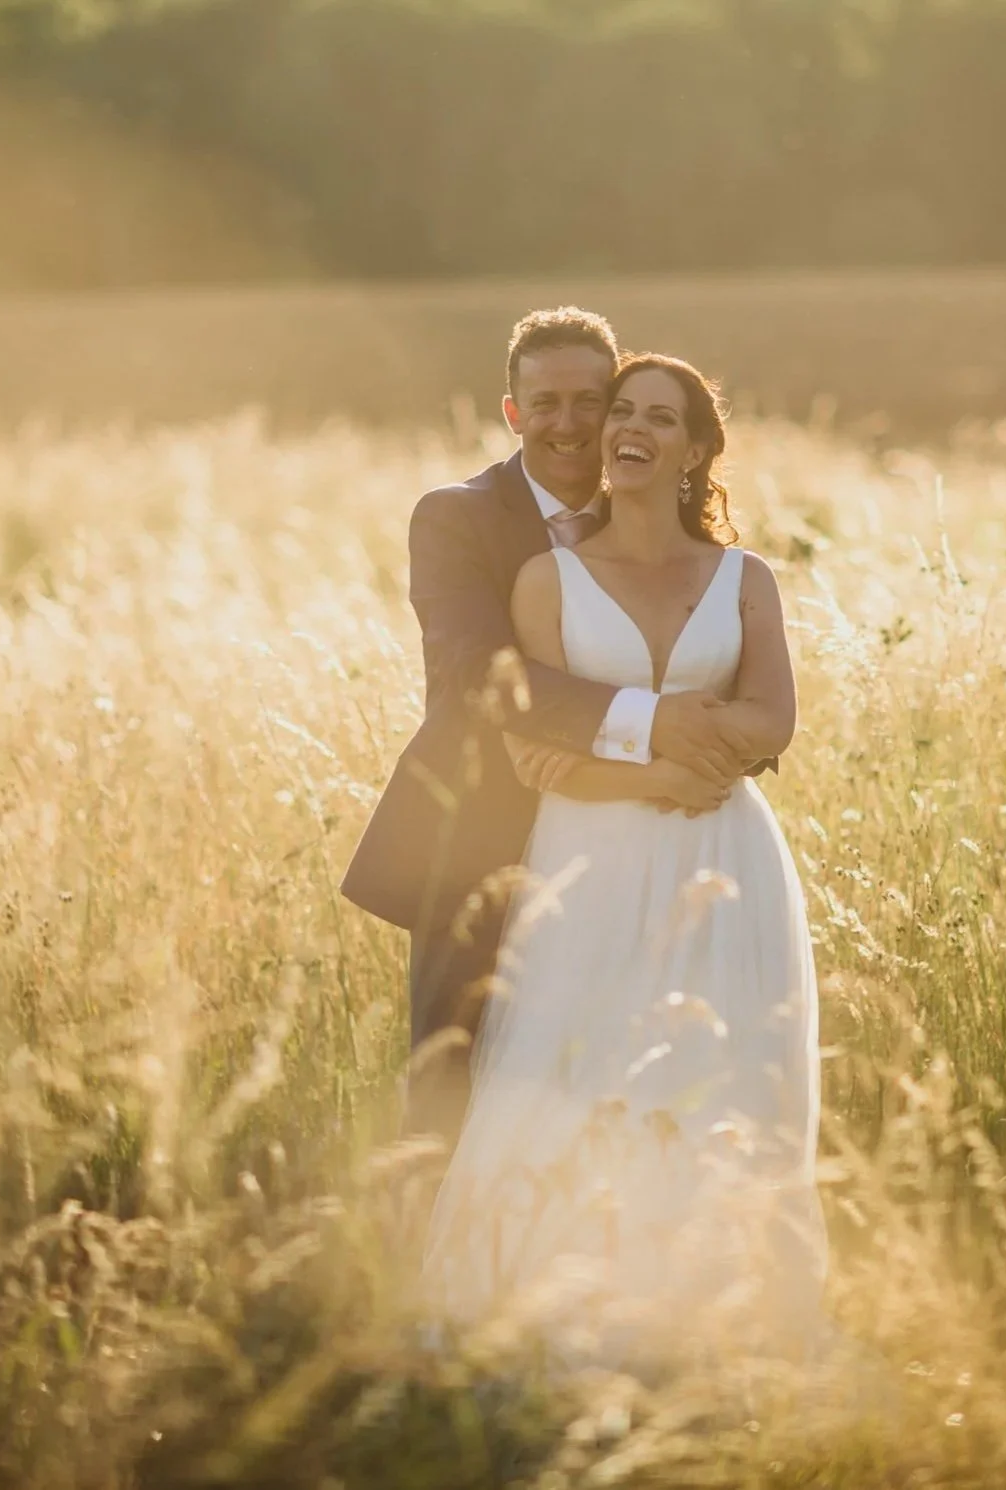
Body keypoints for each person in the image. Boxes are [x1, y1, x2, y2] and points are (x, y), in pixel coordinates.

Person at [419, 353, 825, 1371]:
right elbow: (530, 750)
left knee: (720, 1073)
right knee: (571, 1064)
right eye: (622, 412)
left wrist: (687, 757)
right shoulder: (541, 579)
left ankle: (712, 1318)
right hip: (588, 854)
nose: (628, 428)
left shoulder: (746, 579)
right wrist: (662, 774)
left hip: (726, 854)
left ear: (694, 450)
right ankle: (555, 1316)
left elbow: (771, 717)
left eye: (657, 416)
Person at [339, 308, 760, 1143]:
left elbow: (721, 662)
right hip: (479, 849)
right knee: (457, 1092)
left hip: (636, 849)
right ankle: (430, 1271)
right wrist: (656, 724)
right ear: (512, 411)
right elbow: (476, 677)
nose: (567, 424)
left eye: (588, 401)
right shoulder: (455, 517)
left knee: (624, 1081)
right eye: (545, 403)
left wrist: (715, 741)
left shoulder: (649, 520)